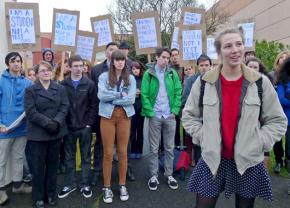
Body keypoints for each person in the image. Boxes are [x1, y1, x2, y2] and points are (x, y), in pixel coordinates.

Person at [182, 27, 287, 208]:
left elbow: (277, 120)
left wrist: (260, 141)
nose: (235, 50)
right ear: (219, 51)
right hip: (213, 159)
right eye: (228, 46)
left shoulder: (260, 82)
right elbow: (189, 116)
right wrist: (203, 136)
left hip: (248, 160)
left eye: (239, 44)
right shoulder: (204, 82)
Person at [24, 61, 69, 208]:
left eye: (48, 70)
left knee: (52, 166)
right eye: (42, 70)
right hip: (38, 134)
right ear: (37, 74)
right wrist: (47, 123)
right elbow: (30, 112)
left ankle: (50, 194)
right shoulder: (30, 90)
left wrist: (56, 122)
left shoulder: (60, 88)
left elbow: (64, 107)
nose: (46, 72)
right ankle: (38, 196)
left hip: (55, 132)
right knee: (38, 168)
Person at [141, 47, 182, 191]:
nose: (166, 60)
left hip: (169, 115)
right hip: (155, 115)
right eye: (163, 57)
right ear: (157, 57)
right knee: (153, 148)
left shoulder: (172, 73)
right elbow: (144, 94)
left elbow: (178, 92)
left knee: (169, 147)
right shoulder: (149, 74)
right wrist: (150, 112)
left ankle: (169, 174)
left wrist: (175, 111)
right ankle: (154, 175)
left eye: (167, 58)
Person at [98, 50, 136, 203]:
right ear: (112, 61)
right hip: (107, 116)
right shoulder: (103, 76)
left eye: (122, 60)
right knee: (107, 152)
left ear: (125, 61)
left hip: (124, 116)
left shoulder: (131, 78)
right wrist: (120, 95)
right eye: (117, 59)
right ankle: (106, 187)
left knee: (122, 152)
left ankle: (122, 184)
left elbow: (131, 99)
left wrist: (112, 98)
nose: (120, 62)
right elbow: (101, 96)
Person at [58, 55, 97, 199]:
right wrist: (64, 125)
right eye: (75, 66)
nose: (79, 69)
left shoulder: (89, 84)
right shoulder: (63, 85)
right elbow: (61, 106)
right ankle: (69, 184)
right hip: (68, 128)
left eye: (81, 65)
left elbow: (94, 106)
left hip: (84, 127)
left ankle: (85, 184)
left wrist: (89, 124)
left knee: (86, 157)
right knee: (69, 158)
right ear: (69, 67)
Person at [0, 52, 32, 206]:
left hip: (22, 128)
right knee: (1, 161)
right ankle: (0, 191)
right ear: (8, 64)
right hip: (4, 129)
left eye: (19, 61)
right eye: (13, 61)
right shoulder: (1, 81)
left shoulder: (28, 83)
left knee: (18, 157)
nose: (16, 64)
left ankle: (18, 185)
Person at [182, 54, 212, 167]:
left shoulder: (217, 79)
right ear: (198, 67)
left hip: (212, 120)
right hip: (198, 118)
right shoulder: (191, 80)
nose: (204, 67)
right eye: (201, 65)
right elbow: (185, 99)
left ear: (211, 66)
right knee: (198, 145)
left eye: (206, 65)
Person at [245, 57, 272, 169]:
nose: (252, 69)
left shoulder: (264, 83)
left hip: (262, 123)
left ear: (259, 69)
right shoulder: (241, 83)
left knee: (264, 150)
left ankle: (263, 173)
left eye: (255, 67)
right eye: (250, 66)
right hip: (246, 125)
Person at [269, 51, 290, 173]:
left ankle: (287, 162)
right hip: (276, 113)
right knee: (277, 140)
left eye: (285, 57)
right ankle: (278, 160)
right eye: (281, 57)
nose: (283, 59)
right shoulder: (273, 76)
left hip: (288, 115)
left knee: (288, 142)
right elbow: (280, 99)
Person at [276, 56, 290, 194]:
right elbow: (281, 99)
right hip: (286, 119)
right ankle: (280, 162)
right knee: (283, 146)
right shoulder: (282, 80)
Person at [130, 61, 144, 159]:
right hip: (131, 108)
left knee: (140, 130)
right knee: (131, 130)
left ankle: (139, 149)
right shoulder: (129, 80)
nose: (135, 71)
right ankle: (132, 149)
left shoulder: (144, 79)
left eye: (137, 68)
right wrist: (132, 93)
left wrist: (141, 92)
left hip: (141, 108)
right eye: (133, 69)